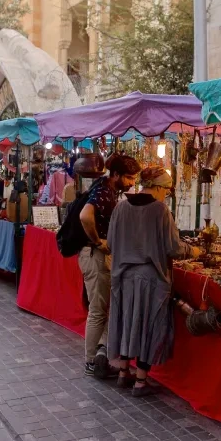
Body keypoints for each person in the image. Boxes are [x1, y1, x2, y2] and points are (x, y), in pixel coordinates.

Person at [106, 167, 201, 396]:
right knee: (147, 326)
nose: (166, 194)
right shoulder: (160, 211)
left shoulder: (120, 208)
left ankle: (123, 373)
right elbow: (174, 248)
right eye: (166, 190)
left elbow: (109, 242)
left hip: (124, 276)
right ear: (158, 187)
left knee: (128, 323)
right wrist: (194, 250)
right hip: (151, 278)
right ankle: (140, 381)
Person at [79, 154, 142, 378]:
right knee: (97, 311)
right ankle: (90, 362)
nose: (132, 182)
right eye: (128, 177)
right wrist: (98, 241)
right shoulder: (104, 192)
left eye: (134, 178)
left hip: (96, 255)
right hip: (95, 254)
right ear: (115, 174)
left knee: (102, 310)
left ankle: (100, 358)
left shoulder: (105, 188)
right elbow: (85, 216)